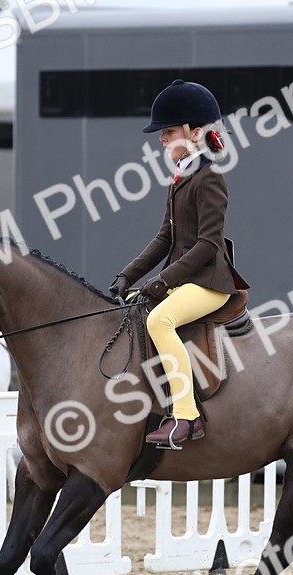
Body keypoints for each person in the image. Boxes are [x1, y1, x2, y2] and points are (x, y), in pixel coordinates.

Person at [109, 80, 249, 448]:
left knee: (159, 320)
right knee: (132, 309)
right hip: (186, 281)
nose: (161, 138)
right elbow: (164, 239)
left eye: (168, 131)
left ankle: (187, 416)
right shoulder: (181, 178)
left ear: (195, 133)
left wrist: (164, 280)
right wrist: (127, 276)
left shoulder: (210, 179)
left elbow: (208, 244)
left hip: (210, 282)